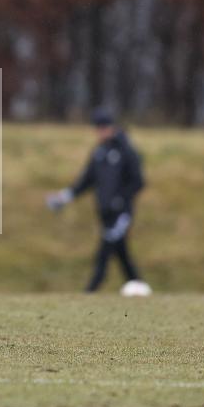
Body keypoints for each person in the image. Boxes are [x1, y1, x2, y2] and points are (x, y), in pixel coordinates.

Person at [46, 108, 151, 294]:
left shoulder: (126, 151)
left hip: (121, 213)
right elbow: (86, 181)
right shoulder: (99, 152)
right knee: (121, 253)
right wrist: (64, 197)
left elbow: (138, 181)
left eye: (104, 127)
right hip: (104, 213)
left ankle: (90, 291)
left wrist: (121, 199)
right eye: (98, 128)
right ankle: (139, 286)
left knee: (104, 251)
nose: (100, 132)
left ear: (112, 127)